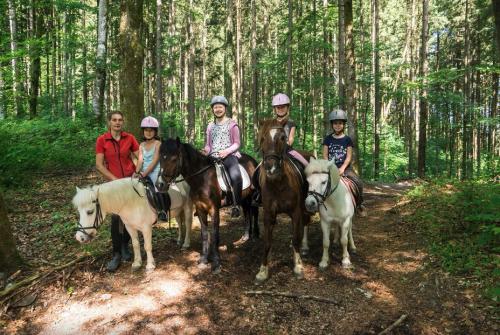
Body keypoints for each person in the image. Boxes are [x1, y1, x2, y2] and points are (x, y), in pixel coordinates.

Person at [95, 111, 140, 272]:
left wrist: (137, 171)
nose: (117, 123)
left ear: (123, 122)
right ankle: (116, 254)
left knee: (129, 216)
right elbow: (99, 164)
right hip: (114, 185)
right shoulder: (102, 140)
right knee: (116, 218)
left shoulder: (130, 138)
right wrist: (114, 179)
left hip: (130, 183)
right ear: (109, 122)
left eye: (120, 120)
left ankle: (125, 246)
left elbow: (139, 156)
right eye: (114, 120)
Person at [202, 95, 243, 218]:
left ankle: (236, 204)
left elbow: (237, 143)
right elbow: (209, 145)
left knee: (236, 176)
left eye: (220, 107)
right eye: (215, 107)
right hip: (212, 156)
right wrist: (206, 150)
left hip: (228, 155)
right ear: (212, 109)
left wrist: (226, 151)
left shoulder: (232, 124)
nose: (218, 109)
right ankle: (202, 203)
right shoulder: (210, 126)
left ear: (225, 108)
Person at [323, 109, 366, 215]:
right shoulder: (328, 139)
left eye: (340, 123)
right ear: (332, 125)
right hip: (330, 167)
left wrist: (342, 168)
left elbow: (349, 156)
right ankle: (317, 205)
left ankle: (359, 204)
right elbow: (325, 155)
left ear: (343, 124)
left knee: (358, 182)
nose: (337, 125)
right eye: (335, 123)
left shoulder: (347, 140)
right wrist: (330, 167)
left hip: (345, 168)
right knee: (317, 182)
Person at [134, 116, 169, 222]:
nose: (148, 133)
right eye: (146, 130)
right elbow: (140, 160)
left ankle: (162, 211)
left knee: (156, 186)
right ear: (143, 131)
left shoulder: (158, 144)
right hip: (144, 170)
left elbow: (154, 161)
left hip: (155, 170)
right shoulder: (141, 145)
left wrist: (144, 174)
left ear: (155, 132)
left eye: (151, 130)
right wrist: (136, 172)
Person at [271, 93, 309, 167]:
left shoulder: (291, 122)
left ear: (287, 108)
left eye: (283, 107)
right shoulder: (272, 123)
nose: (280, 109)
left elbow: (291, 138)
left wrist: (285, 145)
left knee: (305, 163)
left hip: (287, 149)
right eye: (278, 107)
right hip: (273, 150)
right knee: (260, 166)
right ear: (275, 109)